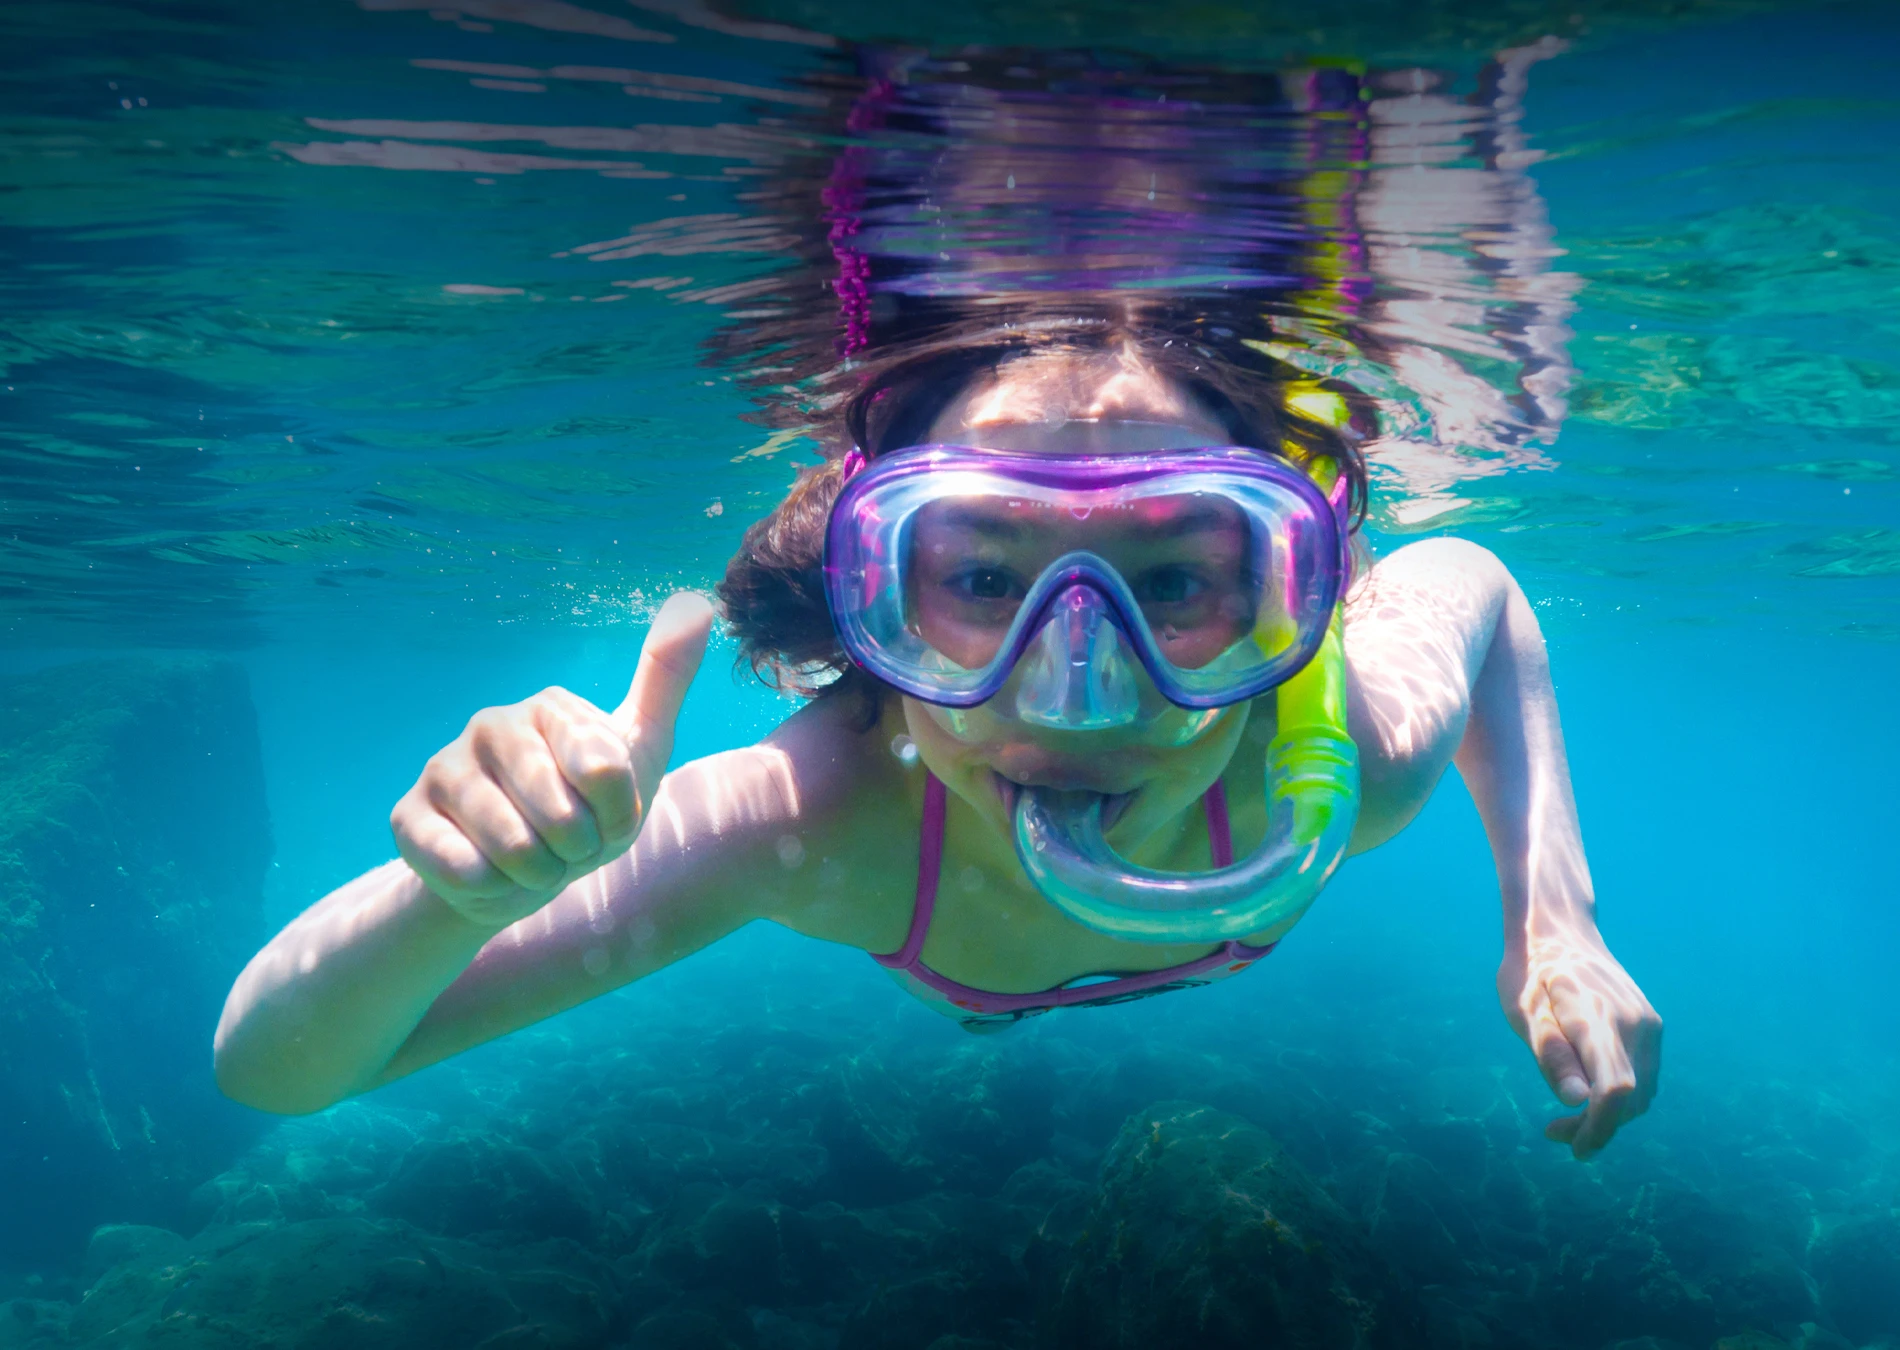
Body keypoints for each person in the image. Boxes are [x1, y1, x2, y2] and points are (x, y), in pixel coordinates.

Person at [214, 318, 1661, 1160]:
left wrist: (1556, 919)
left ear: (1285, 599)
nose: (1078, 697)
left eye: (1173, 583)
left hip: (977, 948)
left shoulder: (1333, 769)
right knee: (981, 1008)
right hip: (967, 982)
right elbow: (274, 1067)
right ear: (875, 606)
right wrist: (459, 893)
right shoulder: (807, 823)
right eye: (979, 577)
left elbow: (1476, 582)